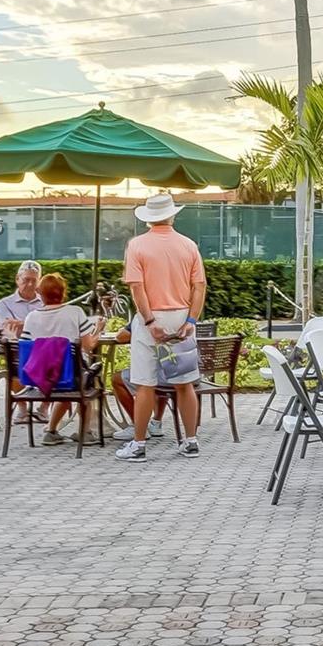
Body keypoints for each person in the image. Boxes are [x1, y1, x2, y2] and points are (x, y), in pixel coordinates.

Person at [116, 192, 206, 463]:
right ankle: (190, 441)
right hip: (181, 315)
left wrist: (150, 322)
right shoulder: (189, 245)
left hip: (150, 317)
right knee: (184, 382)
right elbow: (199, 286)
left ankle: (139, 444)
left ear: (148, 219)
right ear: (172, 214)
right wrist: (191, 320)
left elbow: (137, 288)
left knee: (145, 383)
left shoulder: (137, 246)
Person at [20, 274, 103, 446]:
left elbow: (26, 347)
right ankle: (85, 432)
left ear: (40, 293)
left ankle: (51, 431)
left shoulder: (32, 317)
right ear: (64, 292)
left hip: (41, 377)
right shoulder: (75, 312)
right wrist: (99, 330)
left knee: (65, 378)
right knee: (86, 378)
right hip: (70, 377)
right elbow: (88, 346)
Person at [0, 261, 46, 424]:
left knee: (59, 356)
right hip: (17, 347)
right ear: (17, 279)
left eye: (34, 280)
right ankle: (22, 408)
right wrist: (34, 325)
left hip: (42, 347)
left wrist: (23, 324)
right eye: (26, 280)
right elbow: (8, 328)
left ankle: (44, 410)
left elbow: (48, 326)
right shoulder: (5, 303)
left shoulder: (45, 301)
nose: (30, 284)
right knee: (13, 360)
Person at [107, 325, 170, 441]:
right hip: (183, 373)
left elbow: (121, 337)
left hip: (161, 376)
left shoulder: (146, 317)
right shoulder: (178, 313)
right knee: (157, 369)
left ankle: (139, 427)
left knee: (117, 379)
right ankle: (156, 422)